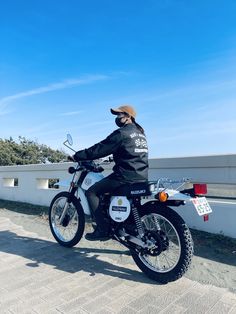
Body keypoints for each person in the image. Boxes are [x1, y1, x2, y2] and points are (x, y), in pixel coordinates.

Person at [72, 105, 149, 241]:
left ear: (128, 116)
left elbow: (99, 149)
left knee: (92, 192)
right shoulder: (140, 133)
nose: (117, 118)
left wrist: (78, 155)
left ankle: (102, 229)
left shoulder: (121, 133)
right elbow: (130, 152)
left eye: (119, 115)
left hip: (124, 176)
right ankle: (129, 234)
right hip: (141, 176)